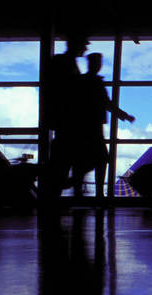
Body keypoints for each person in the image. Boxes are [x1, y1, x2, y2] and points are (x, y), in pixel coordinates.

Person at [73, 53, 135, 197]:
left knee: (84, 161)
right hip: (94, 127)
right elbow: (107, 103)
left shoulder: (82, 82)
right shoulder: (96, 83)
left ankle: (79, 192)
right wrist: (124, 116)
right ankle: (99, 194)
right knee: (100, 160)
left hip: (83, 127)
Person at [42, 30, 88, 198]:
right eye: (84, 45)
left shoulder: (61, 62)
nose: (86, 48)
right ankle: (62, 190)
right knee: (67, 162)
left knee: (61, 163)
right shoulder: (67, 64)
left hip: (64, 122)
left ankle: (56, 193)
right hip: (68, 122)